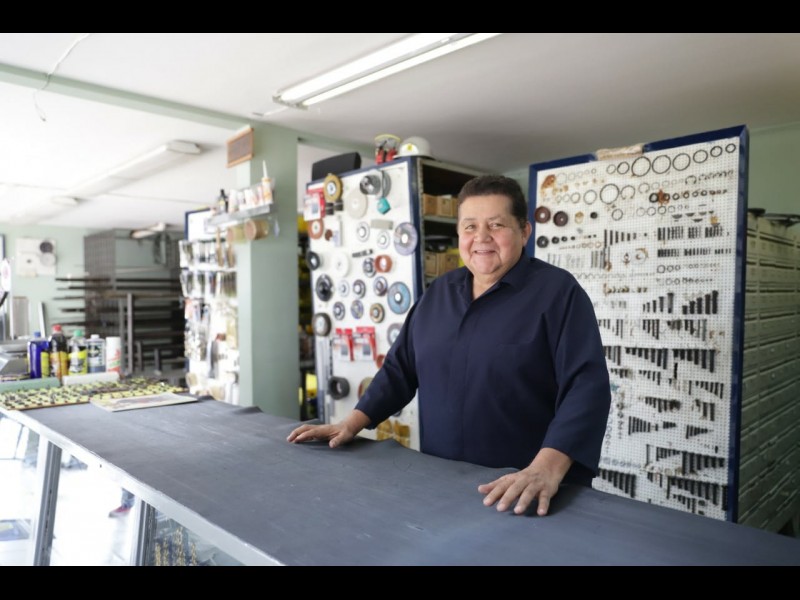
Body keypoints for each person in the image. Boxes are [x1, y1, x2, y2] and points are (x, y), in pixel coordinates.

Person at [288, 175, 611, 516]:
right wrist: (351, 423)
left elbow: (586, 388)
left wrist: (547, 468)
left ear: (524, 231)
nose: (481, 237)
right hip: (441, 487)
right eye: (470, 226)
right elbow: (400, 370)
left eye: (496, 225)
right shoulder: (438, 294)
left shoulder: (559, 293)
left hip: (525, 493)